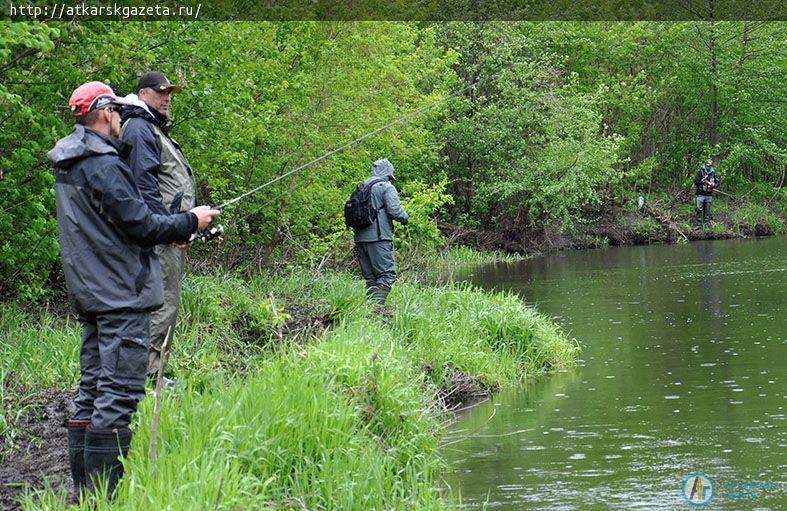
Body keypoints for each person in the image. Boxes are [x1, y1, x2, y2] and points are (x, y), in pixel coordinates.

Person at [48, 81, 219, 499]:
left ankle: (83, 496)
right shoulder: (102, 163)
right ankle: (104, 498)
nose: (123, 120)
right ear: (106, 113)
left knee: (91, 392)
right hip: (121, 293)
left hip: (91, 291)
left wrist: (171, 230)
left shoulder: (71, 161)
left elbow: (120, 223)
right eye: (119, 113)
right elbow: (141, 223)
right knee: (119, 395)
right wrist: (189, 221)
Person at [119, 71, 195, 381]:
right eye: (160, 91)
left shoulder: (149, 126)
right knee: (162, 301)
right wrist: (168, 226)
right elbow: (142, 186)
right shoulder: (138, 127)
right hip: (158, 235)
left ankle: (152, 371)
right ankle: (149, 376)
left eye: (170, 93)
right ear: (143, 93)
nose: (167, 98)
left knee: (164, 300)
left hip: (165, 231)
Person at [353, 159, 409, 305]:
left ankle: (370, 311)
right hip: (379, 237)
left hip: (360, 238)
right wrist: (405, 217)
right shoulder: (386, 187)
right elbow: (395, 211)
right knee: (387, 275)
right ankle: (376, 310)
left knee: (371, 278)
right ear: (387, 173)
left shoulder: (361, 187)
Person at [694, 159, 720, 228]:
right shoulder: (700, 172)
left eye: (710, 166)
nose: (709, 167)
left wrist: (714, 185)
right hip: (700, 194)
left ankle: (707, 225)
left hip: (709, 195)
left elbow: (718, 183)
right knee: (698, 209)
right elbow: (696, 182)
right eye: (707, 165)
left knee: (707, 211)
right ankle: (698, 224)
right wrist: (703, 182)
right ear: (705, 165)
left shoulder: (713, 173)